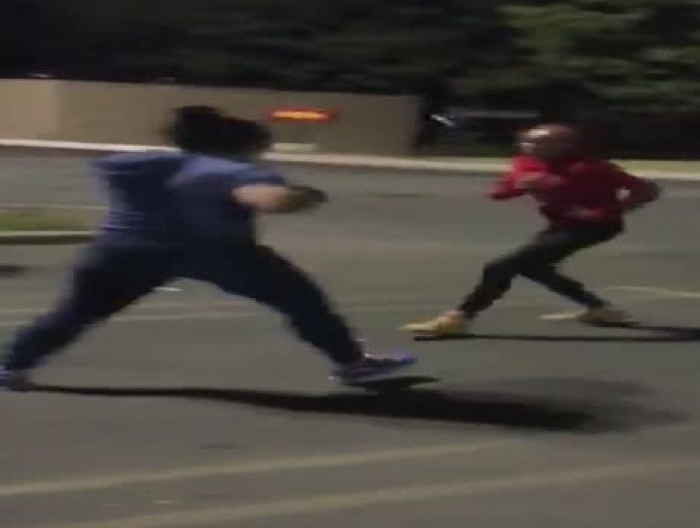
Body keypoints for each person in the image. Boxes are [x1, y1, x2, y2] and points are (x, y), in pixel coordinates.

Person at [0, 106, 415, 392]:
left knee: (76, 313)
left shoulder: (138, 164)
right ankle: (352, 365)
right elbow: (265, 198)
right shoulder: (232, 169)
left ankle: (13, 366)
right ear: (242, 145)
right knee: (302, 301)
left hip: (124, 249)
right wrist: (301, 195)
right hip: (218, 251)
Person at [402, 124, 661, 337]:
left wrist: (606, 212)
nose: (527, 147)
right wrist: (523, 186)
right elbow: (499, 194)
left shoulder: (591, 167)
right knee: (534, 267)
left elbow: (647, 189)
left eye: (535, 143)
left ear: (563, 146)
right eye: (525, 142)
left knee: (500, 266)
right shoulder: (524, 163)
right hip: (559, 224)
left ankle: (459, 318)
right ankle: (601, 310)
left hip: (596, 227)